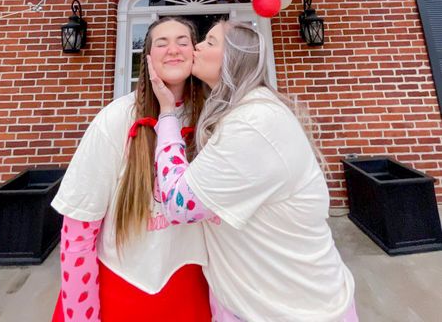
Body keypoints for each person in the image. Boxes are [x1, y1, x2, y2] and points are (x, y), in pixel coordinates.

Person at [149, 20, 358, 322]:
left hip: (292, 311)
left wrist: (167, 115)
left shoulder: (253, 124)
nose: (195, 47)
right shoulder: (242, 113)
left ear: (235, 58)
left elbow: (179, 205)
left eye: (209, 42)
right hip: (251, 302)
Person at [51, 17, 211, 322]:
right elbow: (78, 228)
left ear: (195, 53)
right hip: (123, 285)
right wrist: (82, 314)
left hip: (194, 281)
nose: (173, 50)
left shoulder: (213, 119)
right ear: (147, 57)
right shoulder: (115, 119)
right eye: (161, 43)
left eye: (182, 41)